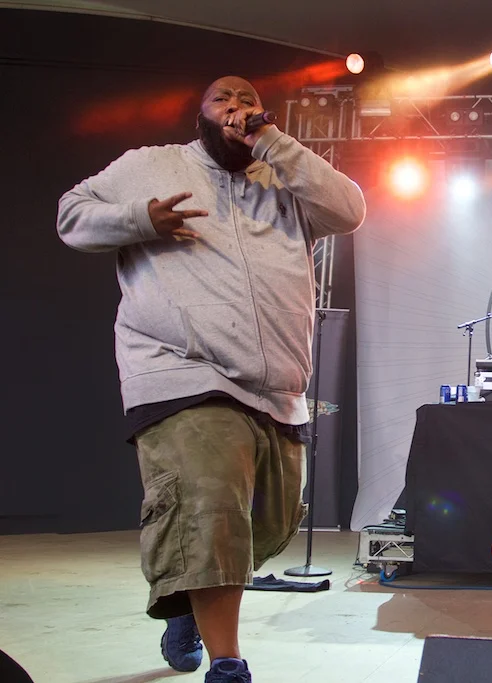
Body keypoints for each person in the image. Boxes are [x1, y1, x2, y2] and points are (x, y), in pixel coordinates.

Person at [56, 76, 366, 683]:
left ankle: (189, 605)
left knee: (269, 522)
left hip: (274, 386)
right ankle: (228, 663)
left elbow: (350, 210)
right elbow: (72, 216)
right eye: (223, 99)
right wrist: (140, 219)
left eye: (249, 101)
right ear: (199, 115)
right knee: (213, 504)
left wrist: (274, 143)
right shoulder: (152, 165)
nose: (237, 107)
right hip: (179, 369)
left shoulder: (285, 177)